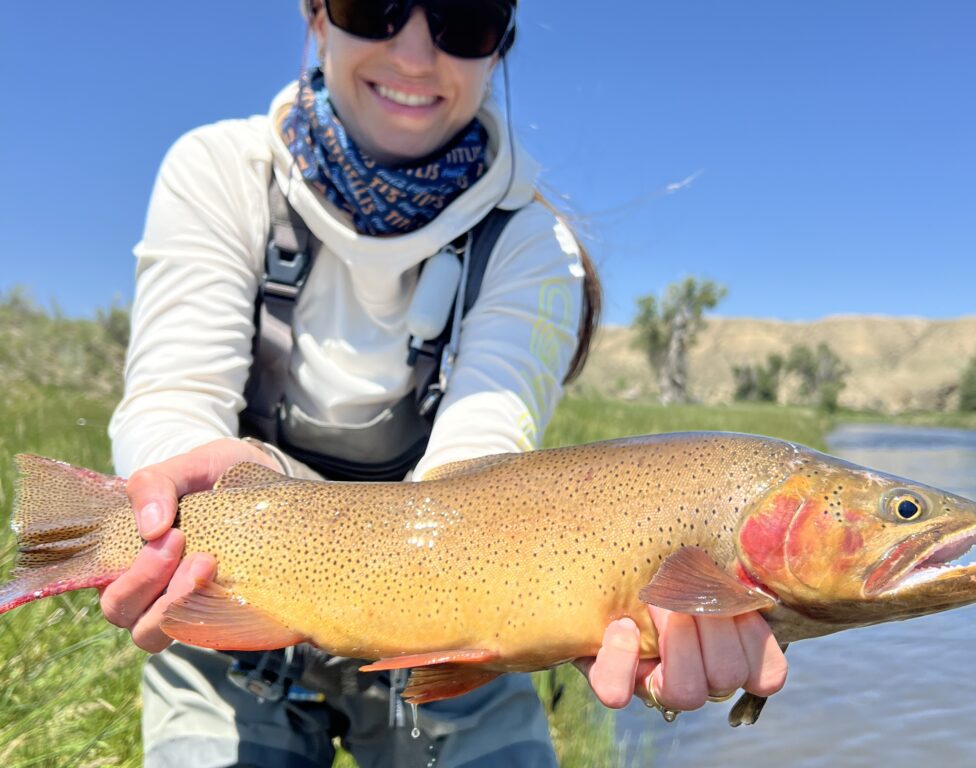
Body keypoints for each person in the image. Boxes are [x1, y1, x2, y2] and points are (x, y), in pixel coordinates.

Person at [102, 1, 788, 766]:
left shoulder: (532, 246)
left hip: (452, 615)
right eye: (374, 5)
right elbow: (172, 397)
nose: (415, 54)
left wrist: (575, 607)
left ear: (500, 48)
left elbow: (478, 464)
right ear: (317, 17)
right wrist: (171, 495)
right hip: (236, 580)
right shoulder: (219, 170)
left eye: (465, 19)